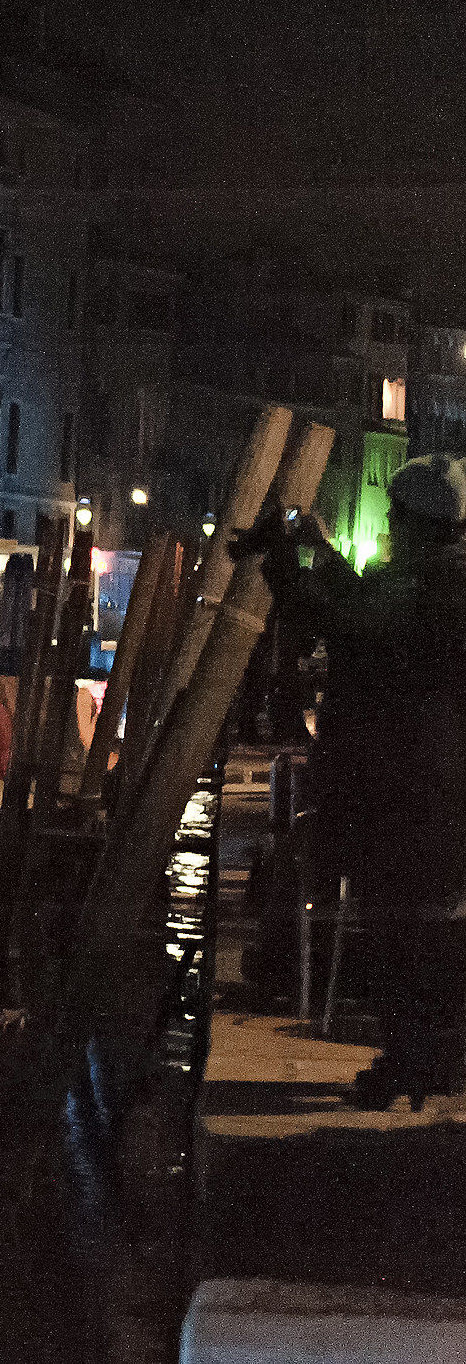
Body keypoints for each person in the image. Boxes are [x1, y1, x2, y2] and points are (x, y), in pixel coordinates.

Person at [257, 455, 466, 1109]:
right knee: (422, 930)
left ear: (412, 522)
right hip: (432, 784)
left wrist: (285, 563)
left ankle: (412, 1064)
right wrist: (321, 551)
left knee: (398, 932)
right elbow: (366, 614)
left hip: (404, 787)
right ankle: (428, 1061)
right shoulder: (438, 584)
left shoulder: (426, 590)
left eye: (394, 517)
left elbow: (347, 620)